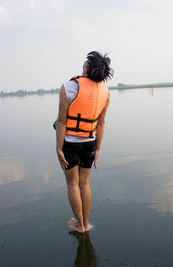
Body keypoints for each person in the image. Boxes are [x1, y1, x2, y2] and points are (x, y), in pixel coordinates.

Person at [55, 51, 113, 233]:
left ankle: (79, 225)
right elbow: (101, 123)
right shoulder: (105, 91)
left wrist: (58, 149)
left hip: (70, 143)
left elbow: (62, 122)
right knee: (85, 184)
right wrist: (97, 150)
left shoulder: (68, 87)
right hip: (90, 143)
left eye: (87, 61)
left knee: (73, 185)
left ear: (88, 68)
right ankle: (86, 224)